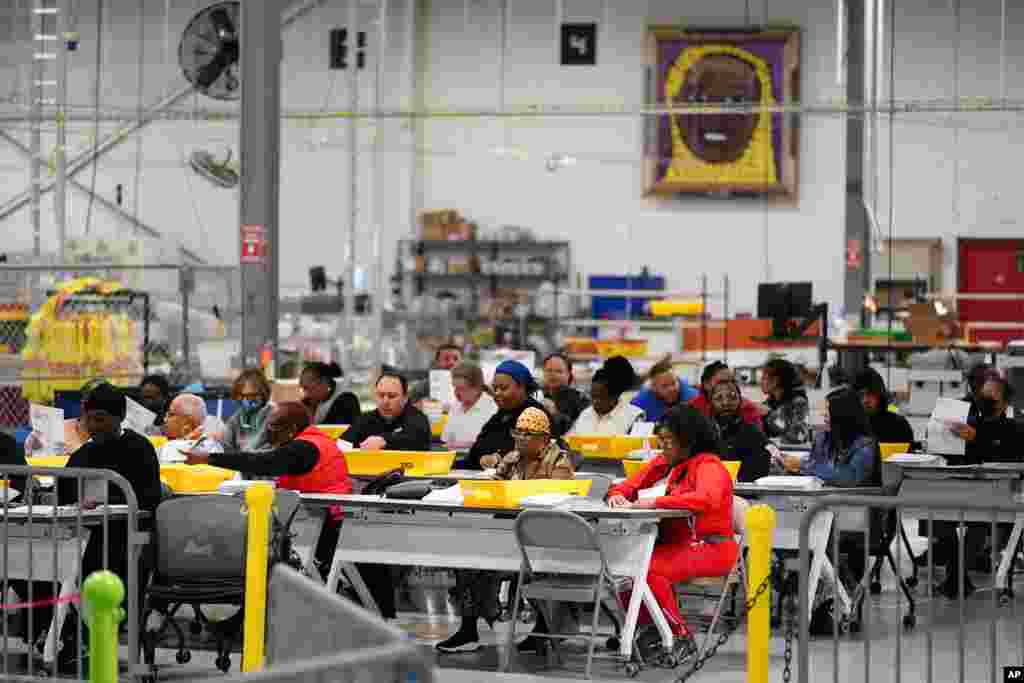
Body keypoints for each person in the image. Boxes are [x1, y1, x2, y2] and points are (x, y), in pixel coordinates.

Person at [437, 408, 575, 654]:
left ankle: (542, 632)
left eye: (527, 434)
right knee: (467, 560)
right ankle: (468, 631)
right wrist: (493, 475)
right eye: (517, 433)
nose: (519, 439)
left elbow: (559, 500)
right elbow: (494, 488)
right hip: (506, 534)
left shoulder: (559, 462)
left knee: (538, 570)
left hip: (542, 541)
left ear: (543, 438)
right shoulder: (513, 458)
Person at [606, 406, 737, 659]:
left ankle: (679, 636)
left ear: (688, 440)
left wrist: (655, 503)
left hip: (712, 548)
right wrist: (617, 496)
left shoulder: (709, 466)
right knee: (624, 567)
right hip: (675, 546)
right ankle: (650, 630)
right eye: (660, 440)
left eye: (668, 441)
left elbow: (704, 500)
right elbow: (625, 487)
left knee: (648, 570)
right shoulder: (664, 463)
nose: (662, 447)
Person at [185, 402, 354, 587]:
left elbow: (263, 462)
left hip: (324, 523)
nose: (269, 431)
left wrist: (209, 458)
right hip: (322, 518)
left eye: (273, 426)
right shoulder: (315, 441)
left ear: (292, 428)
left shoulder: (304, 448)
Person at [56, 384, 162, 671]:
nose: (93, 425)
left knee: (99, 563)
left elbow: (150, 497)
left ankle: (89, 642)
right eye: (89, 418)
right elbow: (63, 492)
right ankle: (62, 639)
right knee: (48, 565)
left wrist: (108, 501)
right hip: (86, 536)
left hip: (128, 539)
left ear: (120, 417)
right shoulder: (83, 454)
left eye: (101, 418)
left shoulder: (139, 448)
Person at [933, 376, 1023, 598]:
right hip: (964, 488)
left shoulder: (1015, 427)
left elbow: (1008, 453)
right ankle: (957, 577)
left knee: (977, 524)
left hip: (1001, 493)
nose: (984, 399)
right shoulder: (967, 421)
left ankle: (955, 578)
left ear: (1003, 403)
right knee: (939, 518)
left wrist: (976, 437)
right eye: (982, 395)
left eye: (990, 396)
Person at [784, 387, 878, 487]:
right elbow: (812, 470)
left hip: (855, 500)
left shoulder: (865, 445)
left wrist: (803, 465)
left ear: (843, 414)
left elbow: (850, 478)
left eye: (828, 409)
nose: (823, 414)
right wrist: (792, 467)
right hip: (819, 496)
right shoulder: (821, 439)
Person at [466, 360, 549, 470]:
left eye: (504, 388)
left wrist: (499, 459)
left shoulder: (536, 416)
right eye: (495, 388)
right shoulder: (498, 418)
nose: (497, 393)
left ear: (522, 387)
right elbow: (473, 456)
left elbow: (537, 456)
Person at [344, 371, 432, 451]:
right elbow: (342, 445)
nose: (385, 401)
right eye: (381, 395)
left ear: (405, 398)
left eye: (392, 396)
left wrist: (384, 441)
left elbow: (417, 440)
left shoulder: (418, 419)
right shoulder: (364, 419)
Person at [709, 380, 771, 482]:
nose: (726, 403)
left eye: (732, 397)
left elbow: (759, 474)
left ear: (740, 401)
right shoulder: (703, 433)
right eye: (719, 398)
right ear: (710, 403)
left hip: (745, 493)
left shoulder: (753, 434)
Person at [569, 356, 644, 435]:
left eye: (600, 397)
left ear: (614, 396)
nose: (595, 402)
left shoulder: (634, 416)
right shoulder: (585, 415)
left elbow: (638, 444)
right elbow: (569, 441)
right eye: (593, 396)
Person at [441, 362, 498, 449]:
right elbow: (446, 439)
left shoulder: (493, 409)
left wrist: (466, 445)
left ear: (476, 388)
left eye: (461, 388)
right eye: (454, 387)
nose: (456, 393)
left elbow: (495, 444)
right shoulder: (456, 406)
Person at [690, 361, 763, 428]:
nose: (729, 386)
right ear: (707, 384)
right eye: (723, 381)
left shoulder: (747, 408)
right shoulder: (692, 409)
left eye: (732, 381)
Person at [853, 368, 914, 444]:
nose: (865, 400)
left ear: (880, 395)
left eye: (870, 394)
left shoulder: (898, 426)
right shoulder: (848, 427)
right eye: (861, 395)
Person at [220, 368, 275, 452]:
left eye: (251, 396)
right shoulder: (235, 420)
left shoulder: (275, 415)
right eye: (242, 396)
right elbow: (225, 448)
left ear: (263, 394)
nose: (246, 400)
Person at [630, 355, 698, 423]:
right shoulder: (639, 405)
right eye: (664, 386)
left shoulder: (695, 398)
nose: (671, 389)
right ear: (654, 388)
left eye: (673, 383)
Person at [157, 394, 223, 463]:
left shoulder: (166, 450)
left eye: (171, 415)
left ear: (187, 422)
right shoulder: (215, 450)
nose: (165, 419)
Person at [539, 353, 590, 437]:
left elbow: (581, 430)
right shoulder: (537, 396)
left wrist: (555, 414)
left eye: (559, 371)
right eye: (549, 370)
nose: (553, 375)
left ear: (568, 374)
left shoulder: (581, 400)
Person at [760, 358, 811, 444]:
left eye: (764, 378)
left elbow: (799, 437)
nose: (761, 382)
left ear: (776, 380)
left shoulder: (798, 403)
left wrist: (770, 414)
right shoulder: (770, 403)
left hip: (792, 455)